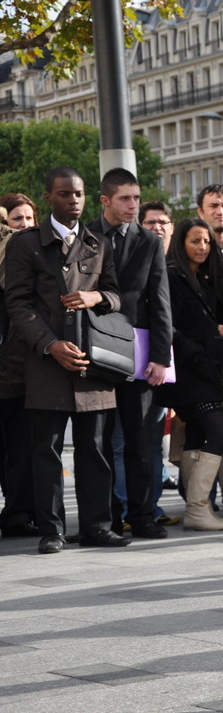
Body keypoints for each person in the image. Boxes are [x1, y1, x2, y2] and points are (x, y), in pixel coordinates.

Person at [5, 166, 128, 553]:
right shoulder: (25, 245)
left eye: (78, 194)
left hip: (92, 363)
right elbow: (18, 304)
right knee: (47, 450)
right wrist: (49, 344)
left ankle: (97, 526)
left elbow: (117, 297)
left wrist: (97, 298)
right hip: (46, 363)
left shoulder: (98, 242)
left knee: (94, 450)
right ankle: (52, 530)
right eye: (64, 194)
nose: (73, 200)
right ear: (48, 198)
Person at [88, 168, 173, 540]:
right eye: (125, 198)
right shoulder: (86, 236)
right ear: (105, 200)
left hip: (137, 353)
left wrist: (161, 356)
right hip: (94, 350)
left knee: (140, 440)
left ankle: (142, 516)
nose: (133, 205)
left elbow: (161, 302)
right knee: (100, 440)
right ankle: (105, 518)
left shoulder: (149, 242)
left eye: (136, 198)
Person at [153, 218, 223, 531]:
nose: (202, 247)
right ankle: (198, 508)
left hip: (206, 367)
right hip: (189, 370)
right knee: (218, 432)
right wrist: (194, 351)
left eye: (206, 242)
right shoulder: (172, 275)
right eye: (195, 241)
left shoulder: (206, 277)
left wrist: (219, 332)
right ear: (181, 243)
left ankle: (195, 510)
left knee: (199, 436)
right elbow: (167, 322)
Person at [0, 195, 37, 538]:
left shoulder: (37, 259)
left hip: (21, 372)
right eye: (16, 219)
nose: (24, 224)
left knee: (20, 448)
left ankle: (18, 511)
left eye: (29, 218)